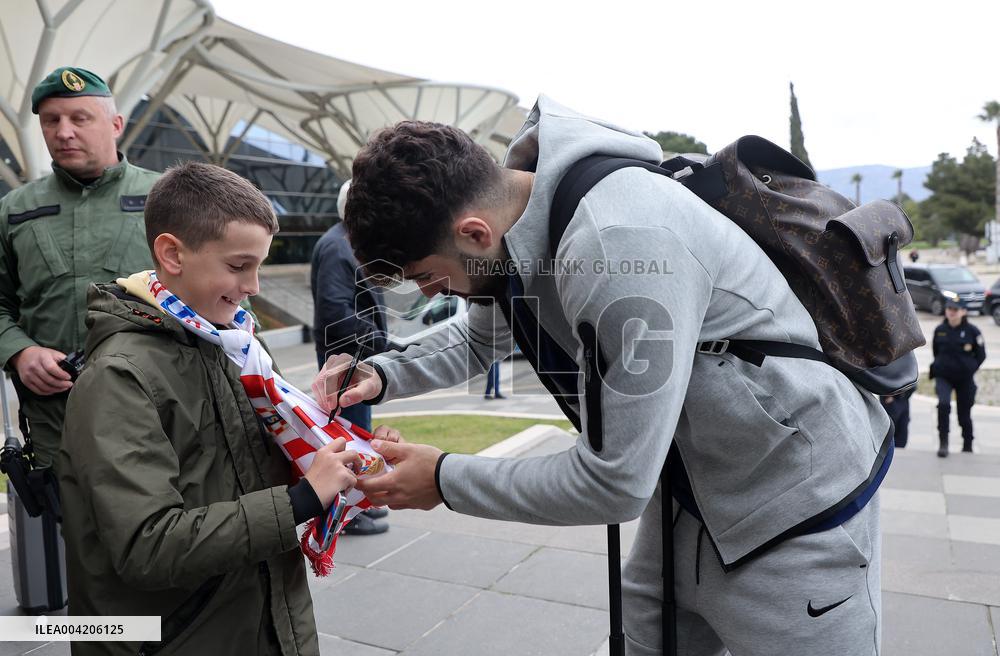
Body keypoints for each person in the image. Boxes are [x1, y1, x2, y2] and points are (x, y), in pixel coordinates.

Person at [313, 98, 893, 656]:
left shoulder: (619, 246)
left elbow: (614, 483)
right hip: (693, 494)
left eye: (425, 276)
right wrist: (380, 373)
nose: (429, 293)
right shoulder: (519, 218)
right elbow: (481, 337)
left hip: (797, 504)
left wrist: (443, 479)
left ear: (473, 233)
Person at [58, 162, 365, 655]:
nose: (254, 286)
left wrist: (345, 453)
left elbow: (257, 465)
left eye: (260, 266)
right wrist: (301, 500)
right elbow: (147, 546)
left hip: (267, 618)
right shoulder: (119, 377)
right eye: (239, 266)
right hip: (179, 636)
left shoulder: (235, 344)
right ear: (172, 254)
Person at [0, 66, 160, 472]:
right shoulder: (14, 210)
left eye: (80, 118)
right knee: (67, 512)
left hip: (159, 409)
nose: (64, 132)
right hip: (56, 420)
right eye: (51, 120)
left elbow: (222, 296)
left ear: (116, 124)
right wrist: (20, 352)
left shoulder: (166, 197)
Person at [310, 179, 390, 535]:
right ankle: (347, 514)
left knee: (354, 436)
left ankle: (355, 507)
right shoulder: (337, 246)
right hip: (346, 365)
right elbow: (336, 313)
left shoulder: (344, 242)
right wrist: (381, 341)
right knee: (348, 439)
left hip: (353, 361)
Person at [930, 298, 986, 457]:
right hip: (944, 376)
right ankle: (943, 442)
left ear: (963, 312)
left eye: (955, 309)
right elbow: (936, 351)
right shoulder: (940, 329)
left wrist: (970, 368)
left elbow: (981, 355)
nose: (951, 312)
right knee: (943, 405)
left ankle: (967, 444)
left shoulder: (973, 331)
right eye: (949, 309)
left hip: (964, 379)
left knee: (964, 414)